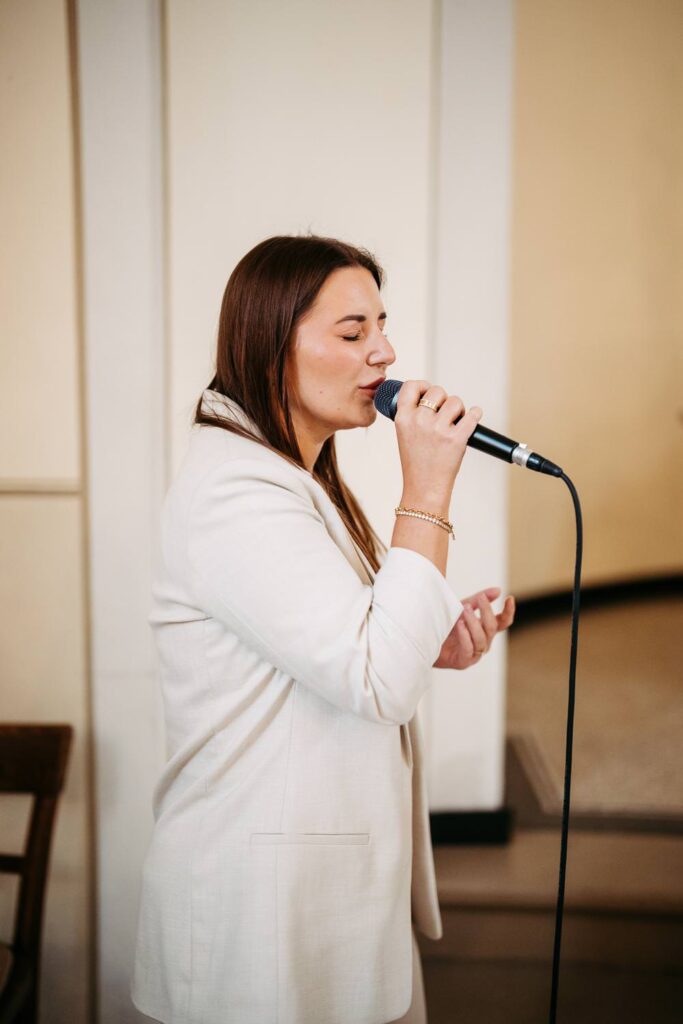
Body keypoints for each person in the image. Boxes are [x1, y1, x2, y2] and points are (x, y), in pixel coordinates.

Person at [130, 234, 516, 1024]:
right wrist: (429, 487)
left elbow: (351, 651)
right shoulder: (235, 495)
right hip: (260, 908)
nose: (385, 352)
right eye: (351, 332)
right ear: (272, 345)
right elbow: (376, 683)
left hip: (314, 885)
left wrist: (425, 642)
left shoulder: (292, 475)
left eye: (382, 325)